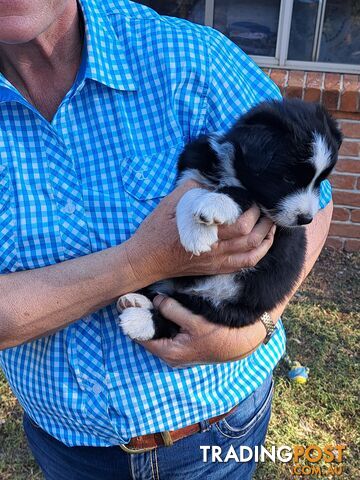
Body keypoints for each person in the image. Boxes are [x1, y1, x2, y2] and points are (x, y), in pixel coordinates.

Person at [0, 1, 333, 479]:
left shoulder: (186, 55)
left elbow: (314, 199)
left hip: (216, 431)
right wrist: (141, 262)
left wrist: (252, 327)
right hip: (67, 444)